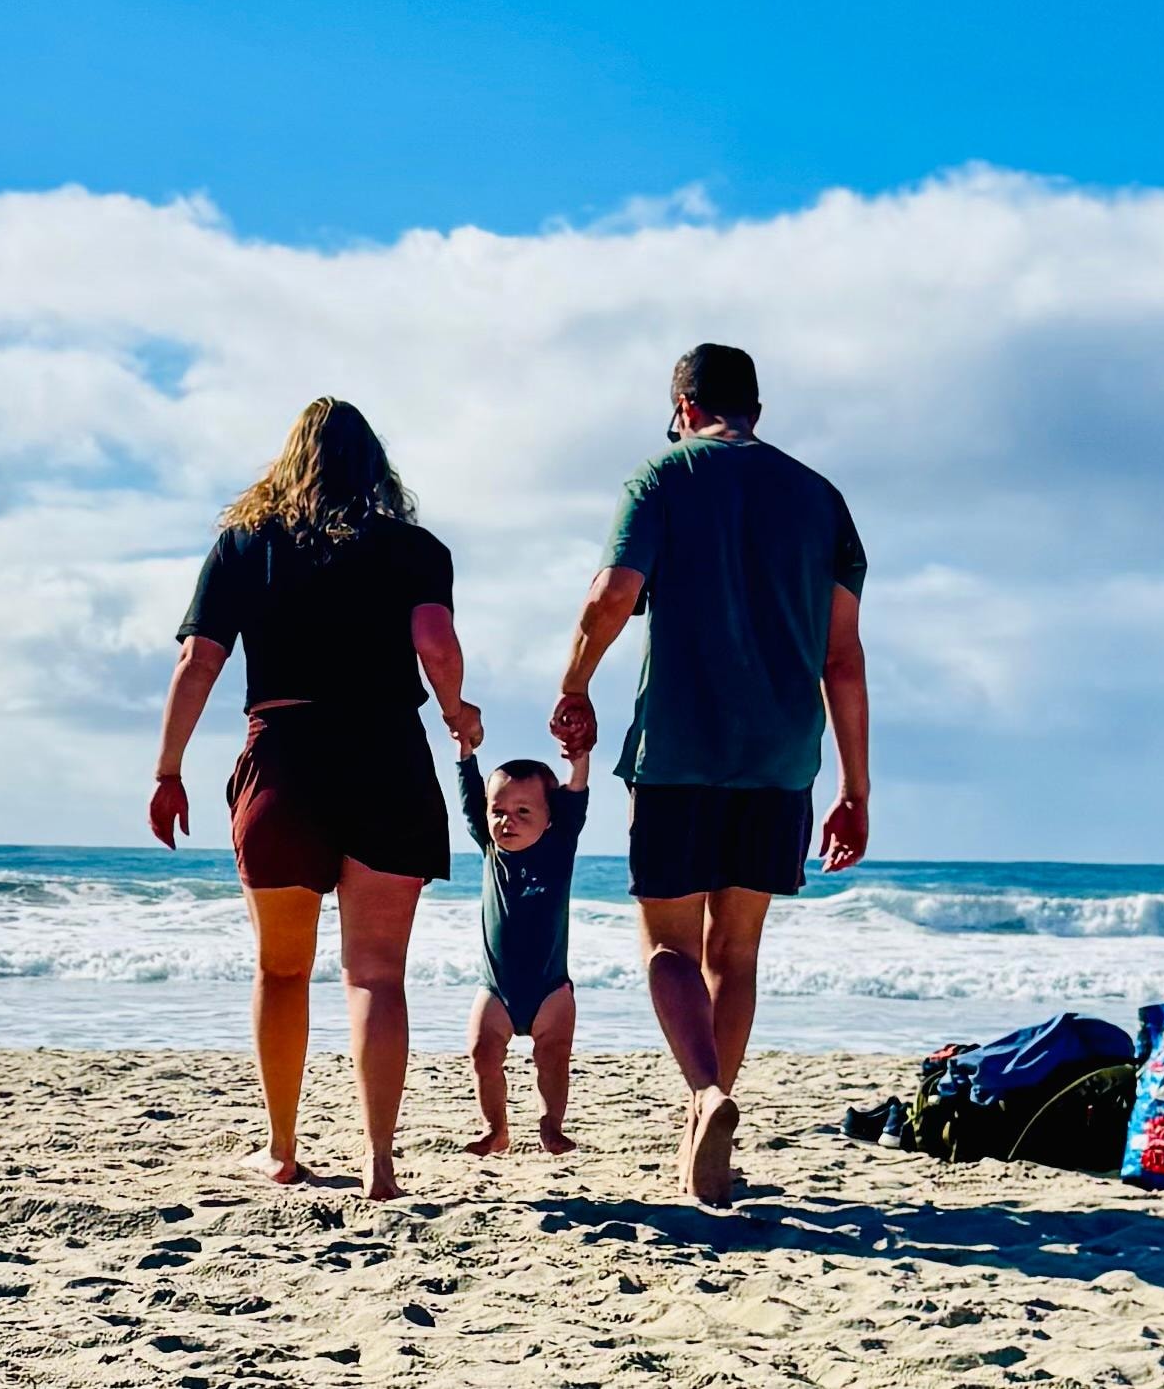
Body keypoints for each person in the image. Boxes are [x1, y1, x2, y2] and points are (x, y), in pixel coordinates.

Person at [549, 342, 869, 1204]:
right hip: (780, 758)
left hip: (678, 749)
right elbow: (843, 658)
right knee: (735, 951)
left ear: (685, 407)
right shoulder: (821, 500)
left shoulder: (663, 477)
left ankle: (704, 1095)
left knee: (665, 944)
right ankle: (710, 1136)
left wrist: (575, 683)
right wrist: (854, 787)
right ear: (754, 408)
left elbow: (610, 594)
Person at [150, 398, 482, 1202]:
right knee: (375, 974)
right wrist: (456, 710)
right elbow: (433, 641)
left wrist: (168, 769)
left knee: (282, 969)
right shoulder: (413, 549)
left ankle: (281, 1148)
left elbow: (198, 662)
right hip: (387, 757)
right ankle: (379, 1164)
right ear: (375, 469)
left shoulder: (242, 545)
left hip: (287, 759)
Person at [456, 750, 588, 1155]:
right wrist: (466, 754)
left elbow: (576, 797)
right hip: (495, 988)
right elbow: (468, 800)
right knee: (482, 1052)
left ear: (550, 818)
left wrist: (579, 758)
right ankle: (495, 1128)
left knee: (553, 1056)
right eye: (498, 811)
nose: (506, 820)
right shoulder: (490, 849)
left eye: (523, 811)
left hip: (551, 989)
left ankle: (551, 1126)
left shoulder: (560, 845)